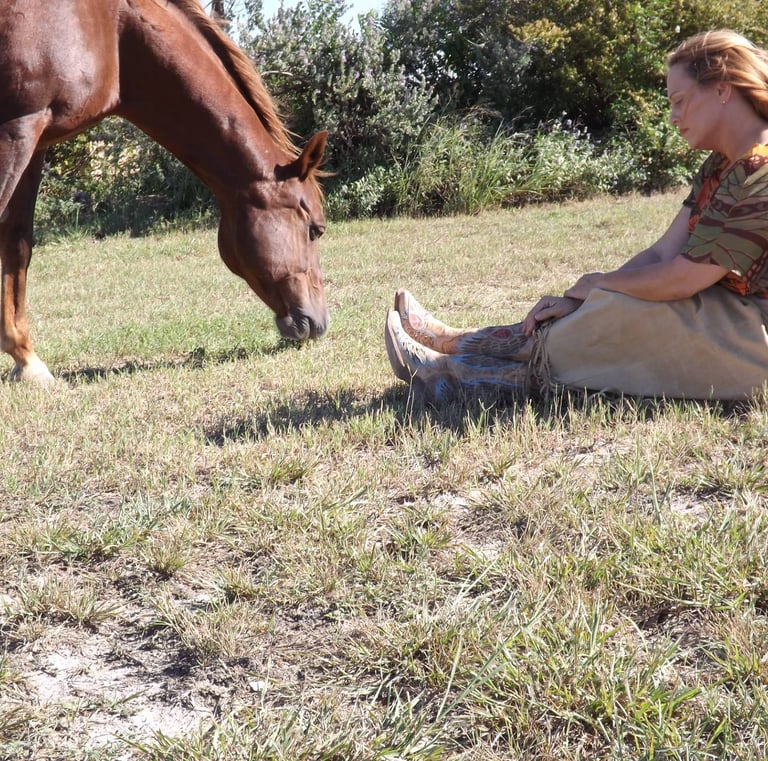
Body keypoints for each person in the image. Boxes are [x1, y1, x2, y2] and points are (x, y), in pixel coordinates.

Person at [384, 29, 768, 402]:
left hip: (752, 338)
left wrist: (598, 286)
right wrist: (590, 292)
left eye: (680, 100)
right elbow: (662, 254)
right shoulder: (722, 166)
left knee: (627, 314)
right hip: (724, 312)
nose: (672, 116)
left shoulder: (760, 170)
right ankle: (457, 343)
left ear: (722, 88)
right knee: (615, 300)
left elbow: (682, 278)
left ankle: (455, 373)